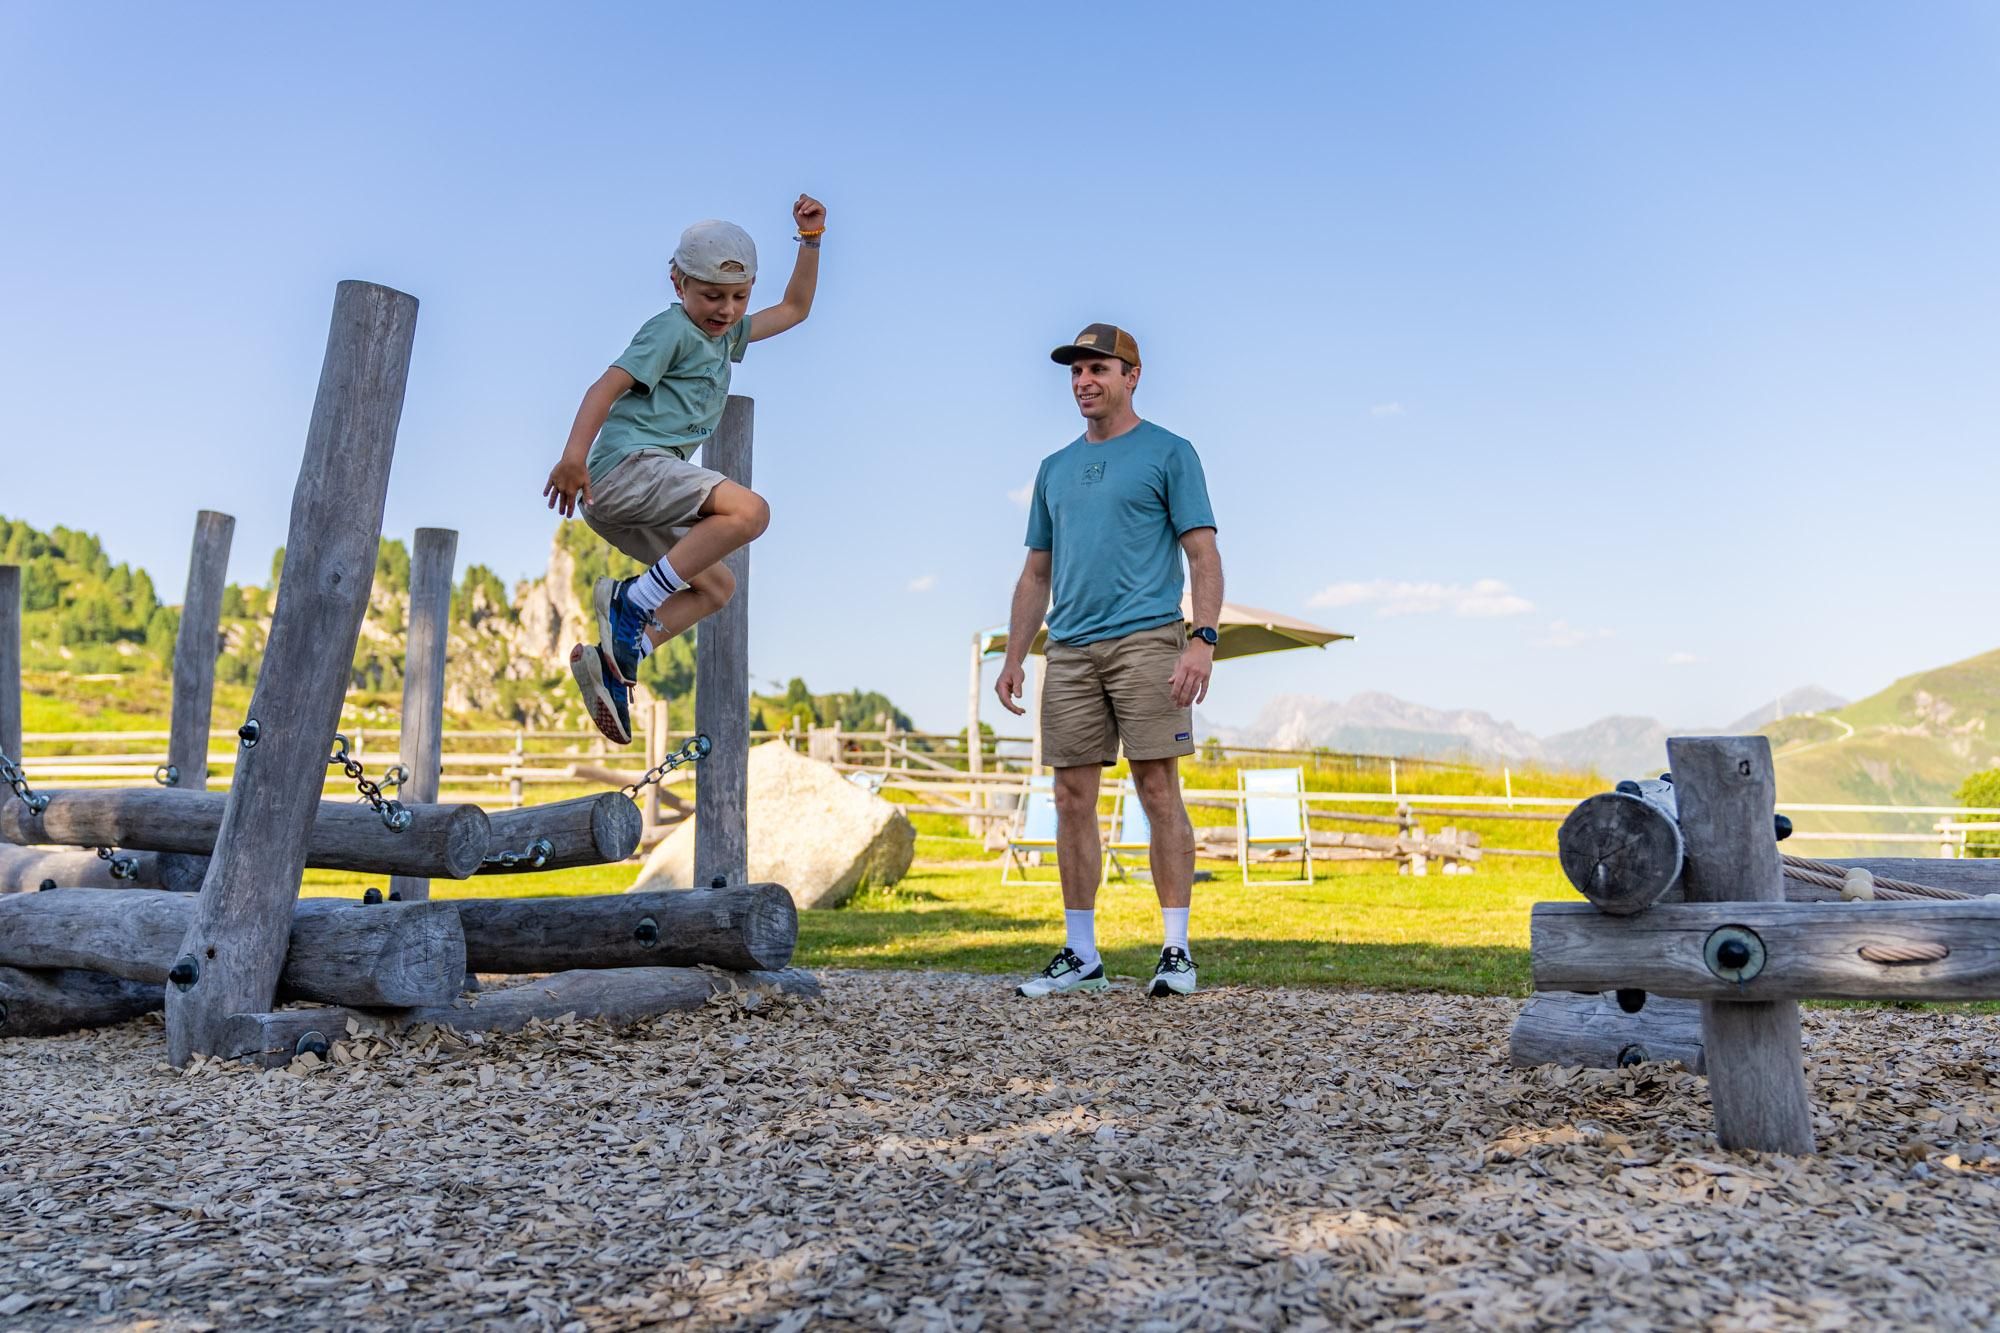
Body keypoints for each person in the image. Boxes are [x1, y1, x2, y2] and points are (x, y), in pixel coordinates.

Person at [542, 195, 827, 744]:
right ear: (678, 284)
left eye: (739, 297)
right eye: (712, 296)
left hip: (633, 498)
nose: (726, 310)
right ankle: (631, 603)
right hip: (627, 470)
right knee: (750, 512)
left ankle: (620, 656)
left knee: (717, 587)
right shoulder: (671, 329)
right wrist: (573, 455)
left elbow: (795, 308)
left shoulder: (728, 336)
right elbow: (606, 386)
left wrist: (810, 241)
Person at [996, 323, 1223, 999]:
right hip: (1068, 649)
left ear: (1132, 376)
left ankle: (1176, 951)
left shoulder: (1170, 452)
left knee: (1157, 788)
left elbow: (1202, 553)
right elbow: (1036, 572)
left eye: (1098, 368)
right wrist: (1014, 654)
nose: (1084, 381)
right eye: (1076, 371)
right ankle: (1081, 954)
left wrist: (1202, 639)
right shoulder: (1053, 468)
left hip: (1148, 640)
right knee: (1070, 798)